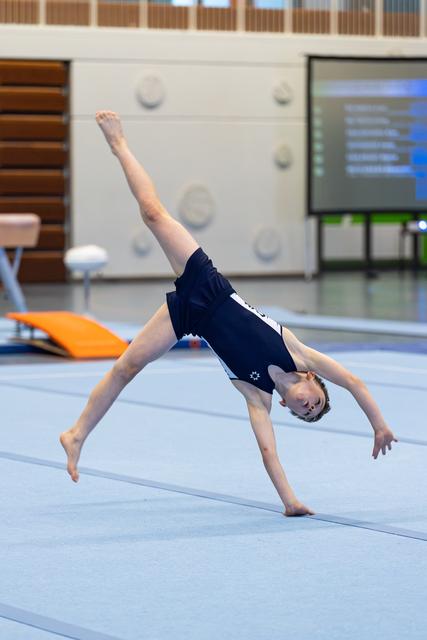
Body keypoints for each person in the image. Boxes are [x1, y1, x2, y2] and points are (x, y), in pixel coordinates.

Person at [60, 111, 398, 517]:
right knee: (153, 213)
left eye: (304, 413)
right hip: (211, 287)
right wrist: (378, 425)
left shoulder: (257, 397)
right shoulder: (300, 355)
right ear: (312, 381)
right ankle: (119, 144)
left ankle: (77, 434)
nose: (306, 407)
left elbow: (269, 451)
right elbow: (354, 381)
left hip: (190, 319)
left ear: (289, 410)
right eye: (314, 403)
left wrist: (290, 502)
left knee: (126, 367)